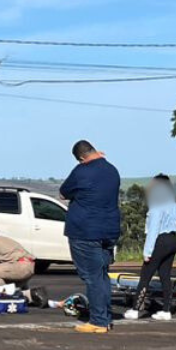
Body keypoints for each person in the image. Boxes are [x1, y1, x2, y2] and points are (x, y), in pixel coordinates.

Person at [58, 139, 121, 333]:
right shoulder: (112, 170)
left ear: (81, 158)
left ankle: (98, 321)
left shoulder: (81, 171)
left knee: (92, 277)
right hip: (109, 230)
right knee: (102, 276)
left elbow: (63, 192)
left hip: (85, 231)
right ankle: (105, 317)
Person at [134, 174, 176, 321]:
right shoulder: (174, 205)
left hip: (160, 241)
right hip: (172, 240)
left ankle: (135, 309)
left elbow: (153, 230)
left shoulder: (156, 205)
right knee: (165, 276)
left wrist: (147, 251)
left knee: (145, 277)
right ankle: (166, 310)